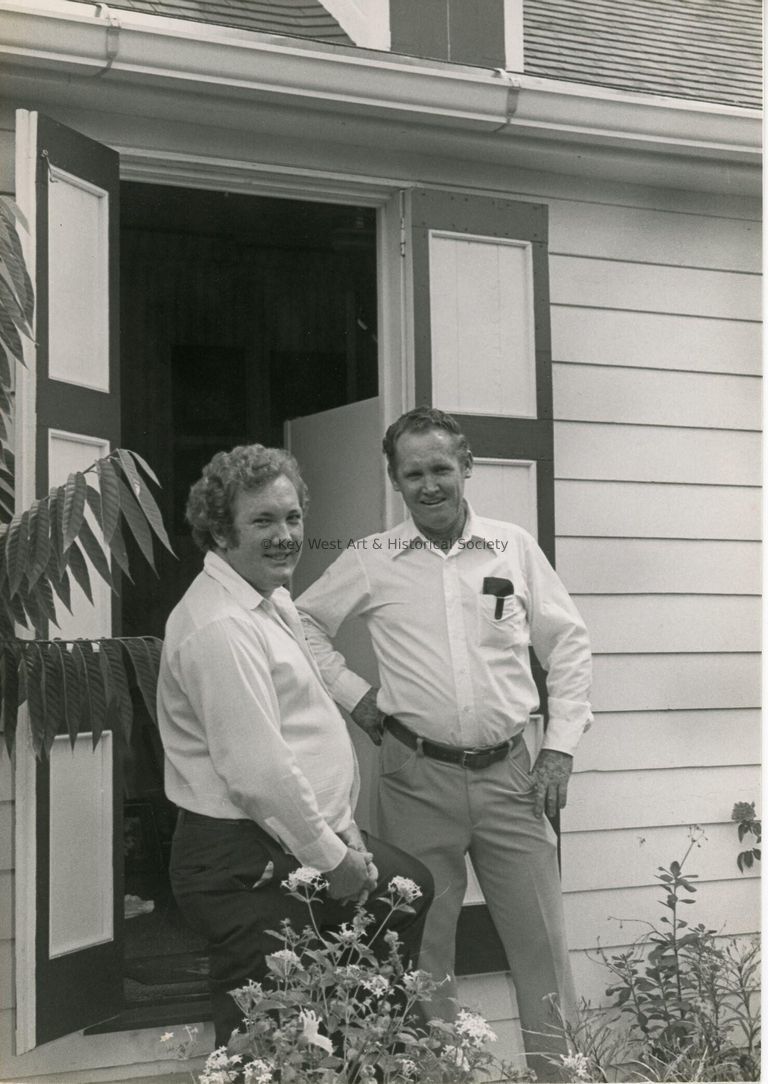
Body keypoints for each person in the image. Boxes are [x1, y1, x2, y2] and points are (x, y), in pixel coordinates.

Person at [295, 407, 592, 1079]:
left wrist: (561, 745)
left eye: (439, 469)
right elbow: (301, 623)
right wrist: (354, 696)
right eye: (412, 474)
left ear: (466, 466)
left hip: (514, 776)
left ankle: (562, 1076)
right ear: (395, 479)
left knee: (541, 946)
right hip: (414, 776)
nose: (428, 485)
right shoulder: (373, 560)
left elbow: (568, 642)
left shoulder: (512, 548)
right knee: (422, 952)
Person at [157, 444, 433, 1048]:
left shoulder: (269, 599)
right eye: (263, 521)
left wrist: (344, 837)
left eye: (292, 517)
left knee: (402, 896)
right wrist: (332, 858)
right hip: (241, 858)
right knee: (268, 1039)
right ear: (220, 532)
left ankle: (372, 1053)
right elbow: (259, 773)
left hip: (291, 839)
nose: (285, 536)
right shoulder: (221, 626)